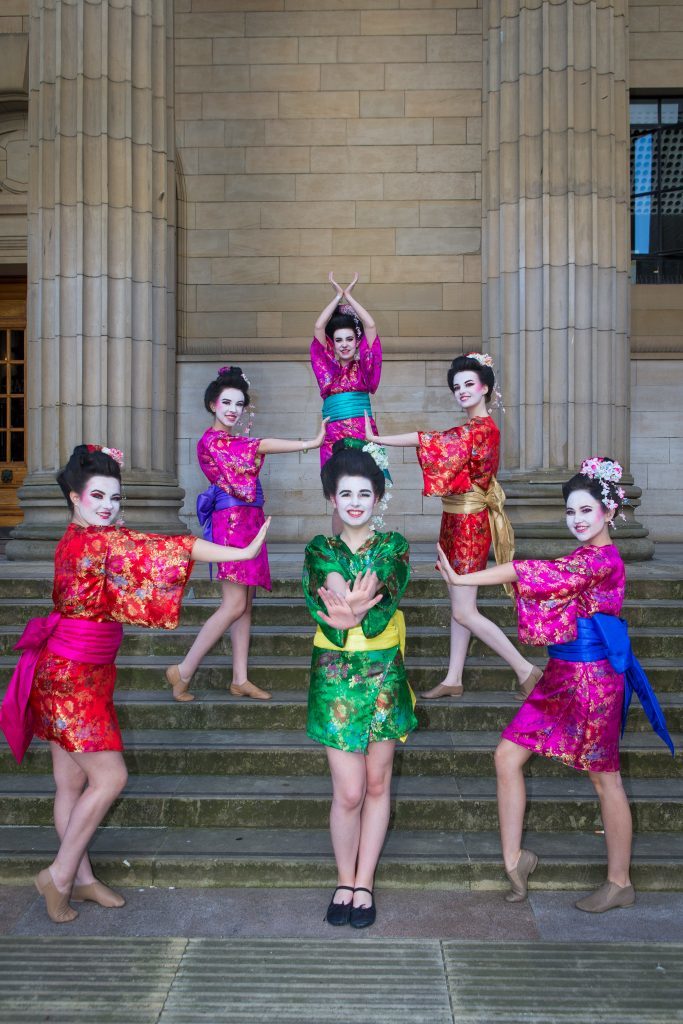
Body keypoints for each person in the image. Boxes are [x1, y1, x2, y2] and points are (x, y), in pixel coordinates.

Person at [0, 444, 269, 924]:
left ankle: (80, 879)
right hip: (71, 675)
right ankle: (60, 875)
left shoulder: (77, 538)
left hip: (76, 669)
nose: (107, 506)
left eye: (115, 498)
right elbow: (173, 547)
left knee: (70, 782)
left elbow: (143, 553)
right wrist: (242, 551)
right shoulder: (100, 542)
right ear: (74, 498)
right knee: (110, 777)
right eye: (97, 496)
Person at [436, 457, 674, 912]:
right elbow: (541, 578)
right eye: (570, 512)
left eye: (586, 510)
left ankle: (620, 881)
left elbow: (535, 572)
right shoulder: (585, 556)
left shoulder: (603, 559)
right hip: (560, 677)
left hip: (595, 682)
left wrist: (466, 577)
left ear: (608, 512)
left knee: (606, 781)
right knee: (506, 756)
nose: (577, 519)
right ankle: (515, 859)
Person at [365, 352, 542, 699]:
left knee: (464, 610)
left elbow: (428, 439)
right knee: (462, 607)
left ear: (485, 387)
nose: (462, 391)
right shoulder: (474, 428)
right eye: (457, 386)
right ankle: (454, 678)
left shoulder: (481, 429)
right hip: (457, 518)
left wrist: (379, 439)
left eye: (469, 384)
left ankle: (526, 669)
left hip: (469, 525)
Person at [303, 440, 417, 929]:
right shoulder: (319, 548)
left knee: (376, 782)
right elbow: (333, 591)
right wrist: (347, 606)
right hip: (334, 675)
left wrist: (351, 607)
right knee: (348, 790)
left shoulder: (394, 546)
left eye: (364, 493)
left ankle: (363, 881)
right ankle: (343, 877)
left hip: (384, 669)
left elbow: (372, 593)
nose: (354, 502)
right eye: (345, 493)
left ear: (378, 497)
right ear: (332, 498)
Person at [165, 365, 326, 702]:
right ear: (212, 404)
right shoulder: (213, 441)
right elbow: (260, 446)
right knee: (234, 603)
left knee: (245, 603)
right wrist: (310, 442)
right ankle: (183, 669)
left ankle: (240, 678)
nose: (233, 410)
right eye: (226, 402)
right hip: (232, 523)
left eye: (239, 404)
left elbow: (254, 448)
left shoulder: (231, 440)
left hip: (247, 518)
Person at [311, 273, 383, 532]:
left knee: (365, 495)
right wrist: (336, 297)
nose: (344, 345)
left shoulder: (364, 366)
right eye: (339, 340)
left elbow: (371, 326)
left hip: (362, 433)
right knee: (338, 499)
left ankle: (363, 552)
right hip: (332, 437)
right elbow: (319, 328)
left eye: (350, 339)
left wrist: (350, 297)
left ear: (357, 341)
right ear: (333, 343)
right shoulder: (327, 366)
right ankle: (341, 551)